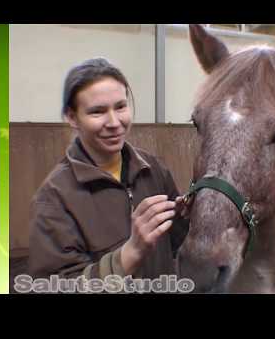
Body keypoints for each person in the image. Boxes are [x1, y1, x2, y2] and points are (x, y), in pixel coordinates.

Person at [27, 58, 189, 291]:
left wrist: (195, 213)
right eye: (97, 111)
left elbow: (182, 244)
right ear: (72, 117)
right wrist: (129, 254)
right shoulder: (54, 199)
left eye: (120, 106)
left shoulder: (153, 170)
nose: (114, 122)